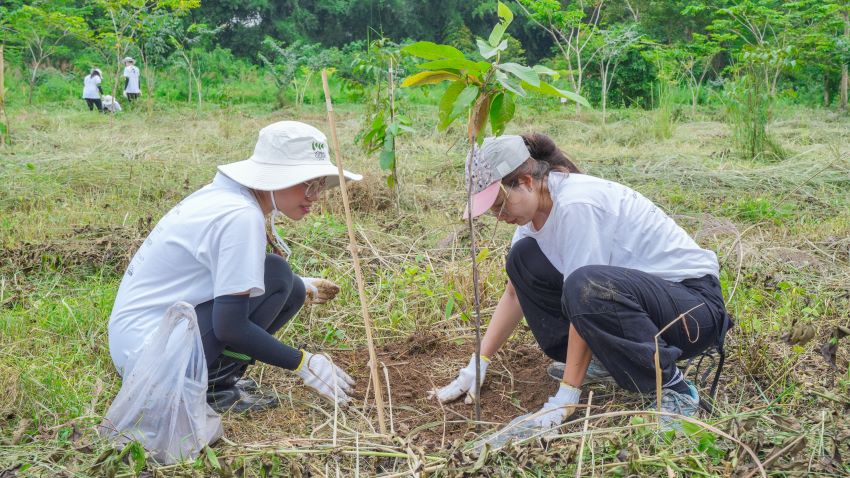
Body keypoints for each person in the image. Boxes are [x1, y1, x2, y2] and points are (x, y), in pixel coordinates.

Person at [432, 134, 733, 430]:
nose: (497, 216)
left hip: (692, 312)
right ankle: (604, 362)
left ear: (525, 181)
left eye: (499, 205)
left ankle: (674, 389)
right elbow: (514, 294)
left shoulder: (577, 205)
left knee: (584, 285)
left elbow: (587, 294)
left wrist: (566, 396)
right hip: (643, 306)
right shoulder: (535, 213)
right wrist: (478, 362)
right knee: (522, 260)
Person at [108, 121, 362, 413]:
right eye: (308, 184)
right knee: (278, 274)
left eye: (321, 185)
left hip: (141, 344)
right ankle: (211, 390)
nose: (315, 196)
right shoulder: (240, 216)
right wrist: (304, 363)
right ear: (275, 177)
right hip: (151, 363)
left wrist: (301, 285)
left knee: (287, 284)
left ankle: (215, 380)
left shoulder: (228, 198)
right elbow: (230, 326)